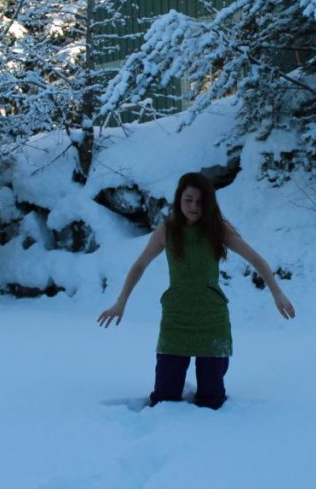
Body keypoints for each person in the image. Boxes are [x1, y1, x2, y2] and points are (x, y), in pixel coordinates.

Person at [97, 172, 295, 409]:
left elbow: (255, 258)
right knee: (164, 399)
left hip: (211, 320)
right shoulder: (167, 230)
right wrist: (121, 302)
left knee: (212, 401)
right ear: (179, 199)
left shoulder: (218, 229)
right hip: (176, 319)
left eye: (200, 201)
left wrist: (277, 293)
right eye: (188, 199)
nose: (193, 206)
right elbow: (140, 265)